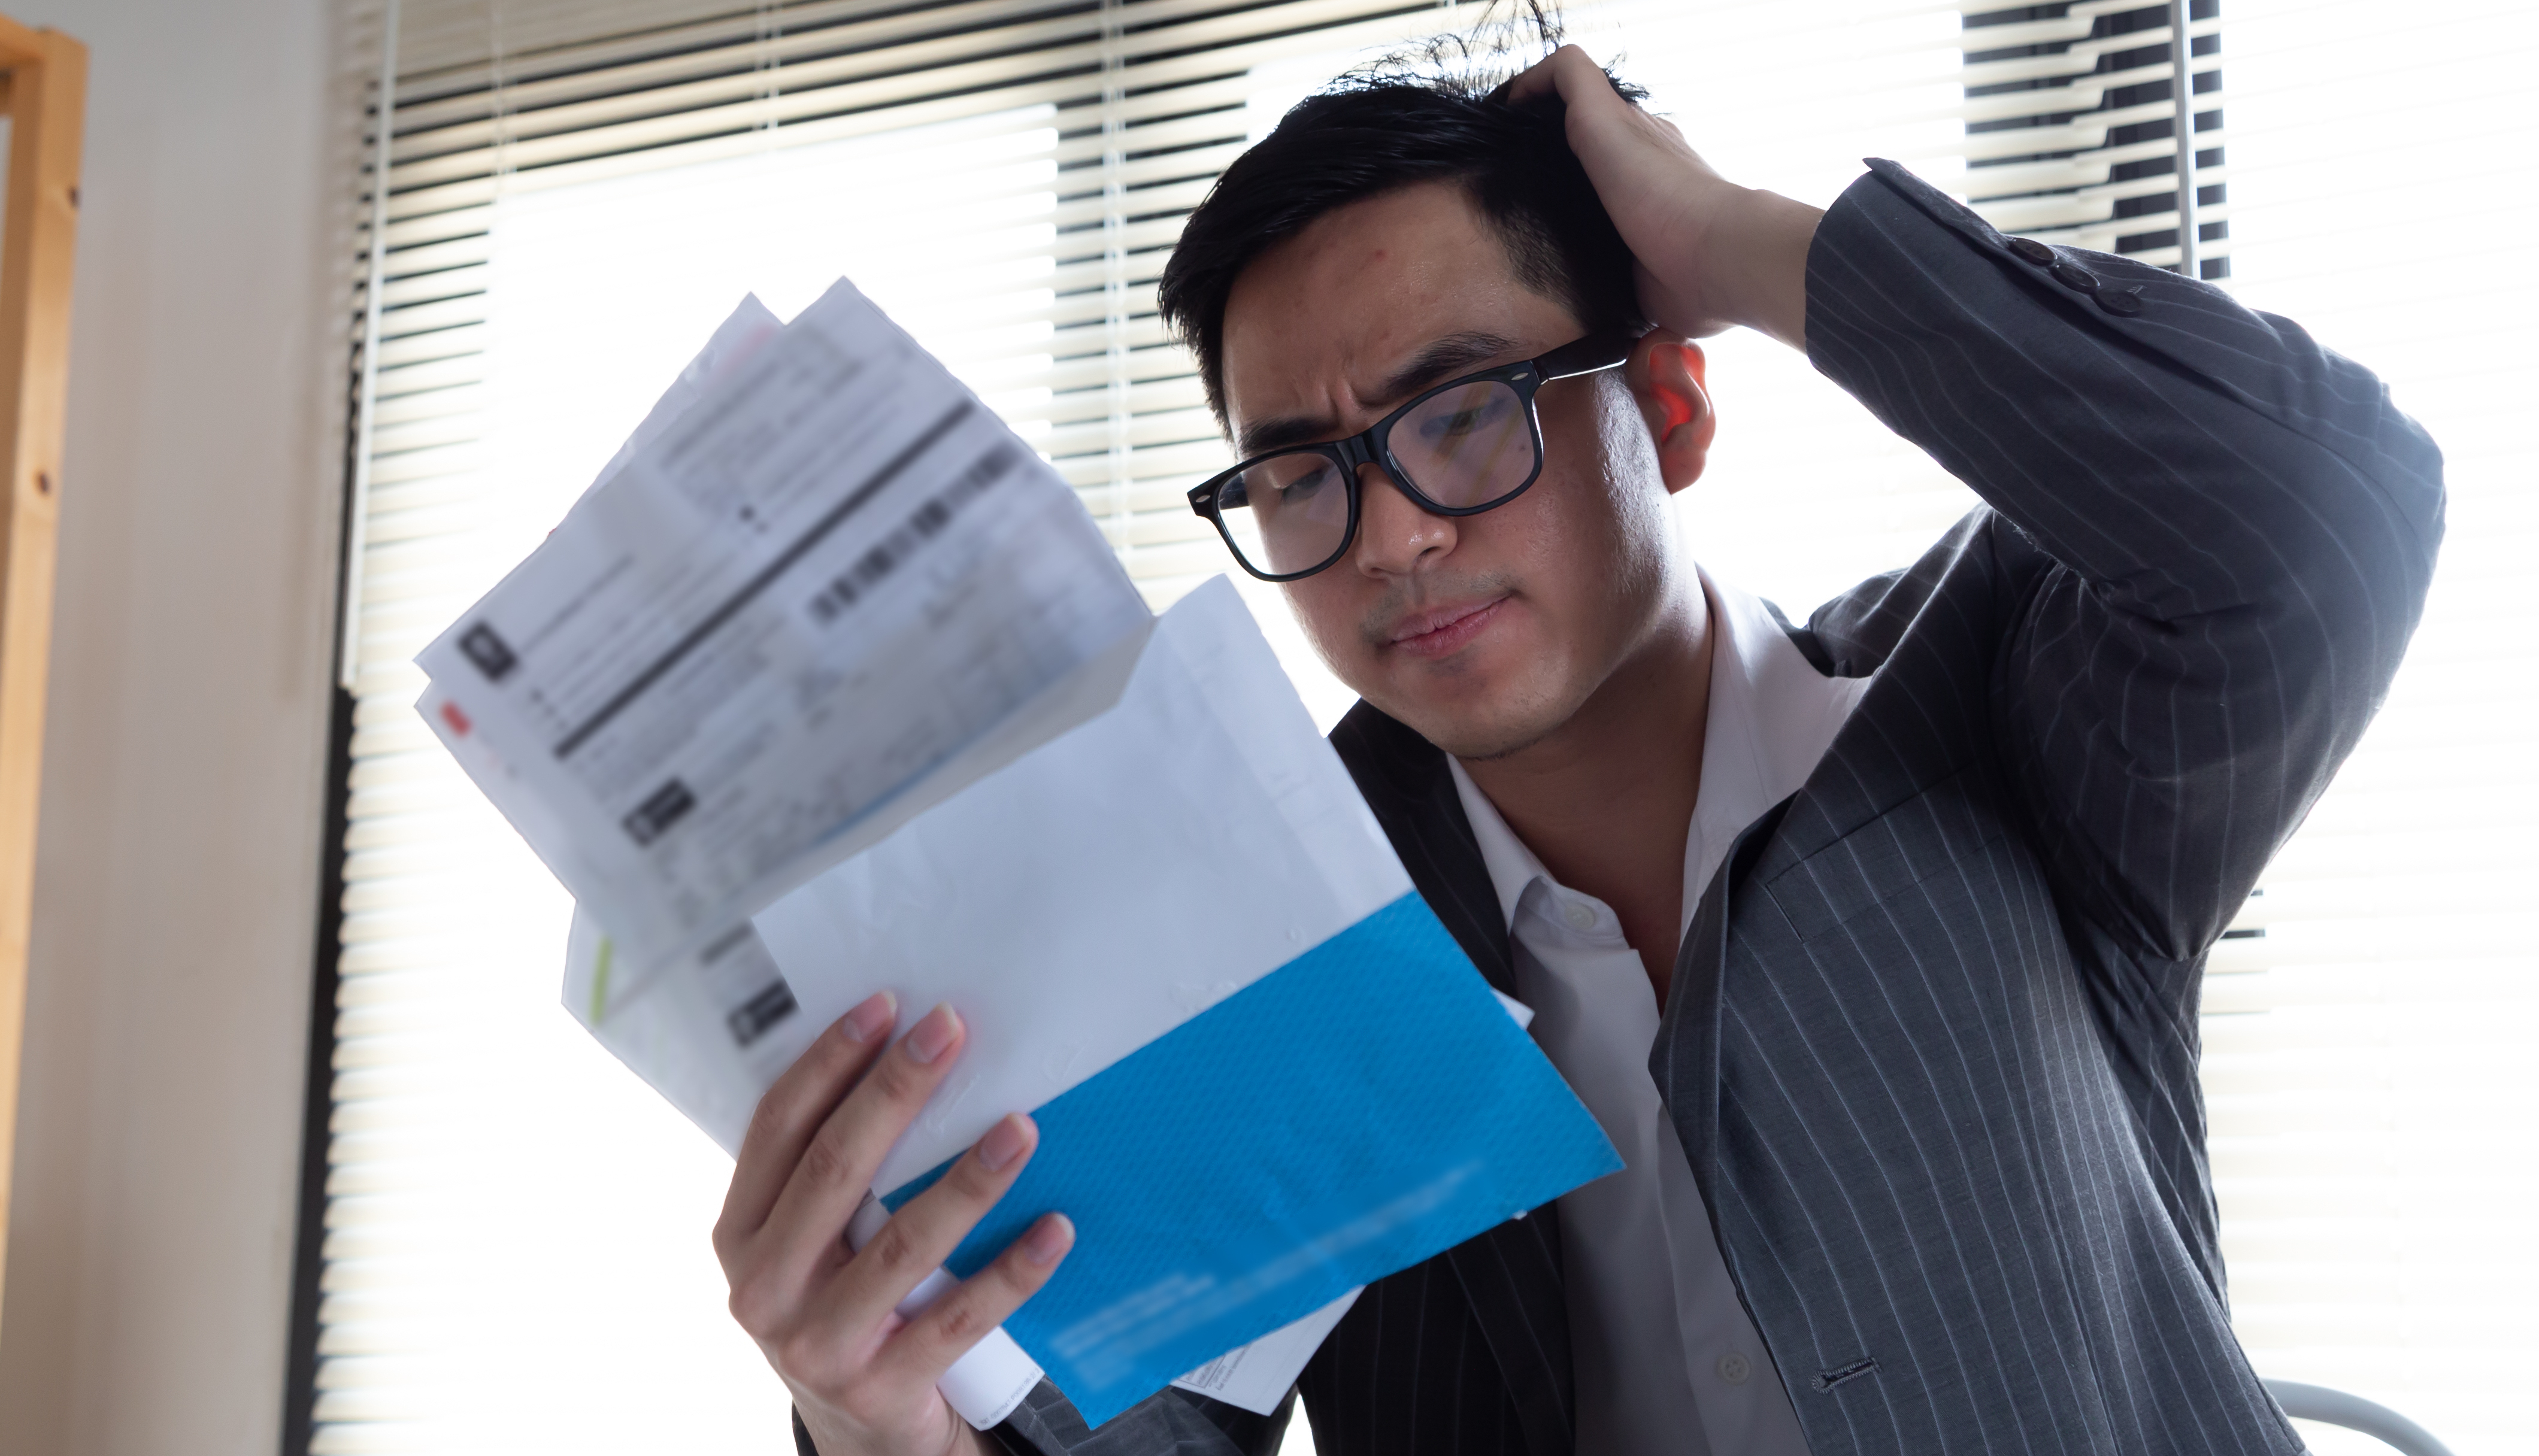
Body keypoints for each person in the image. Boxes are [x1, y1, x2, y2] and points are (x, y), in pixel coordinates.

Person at [710, 29, 2444, 1456]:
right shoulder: (1267, 923)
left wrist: (1743, 245)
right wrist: (888, 1425)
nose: (1389, 541)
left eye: (1460, 414)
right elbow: (1140, 1420)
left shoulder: (1993, 695)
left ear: (1670, 407)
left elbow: (2316, 512)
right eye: (1302, 471)